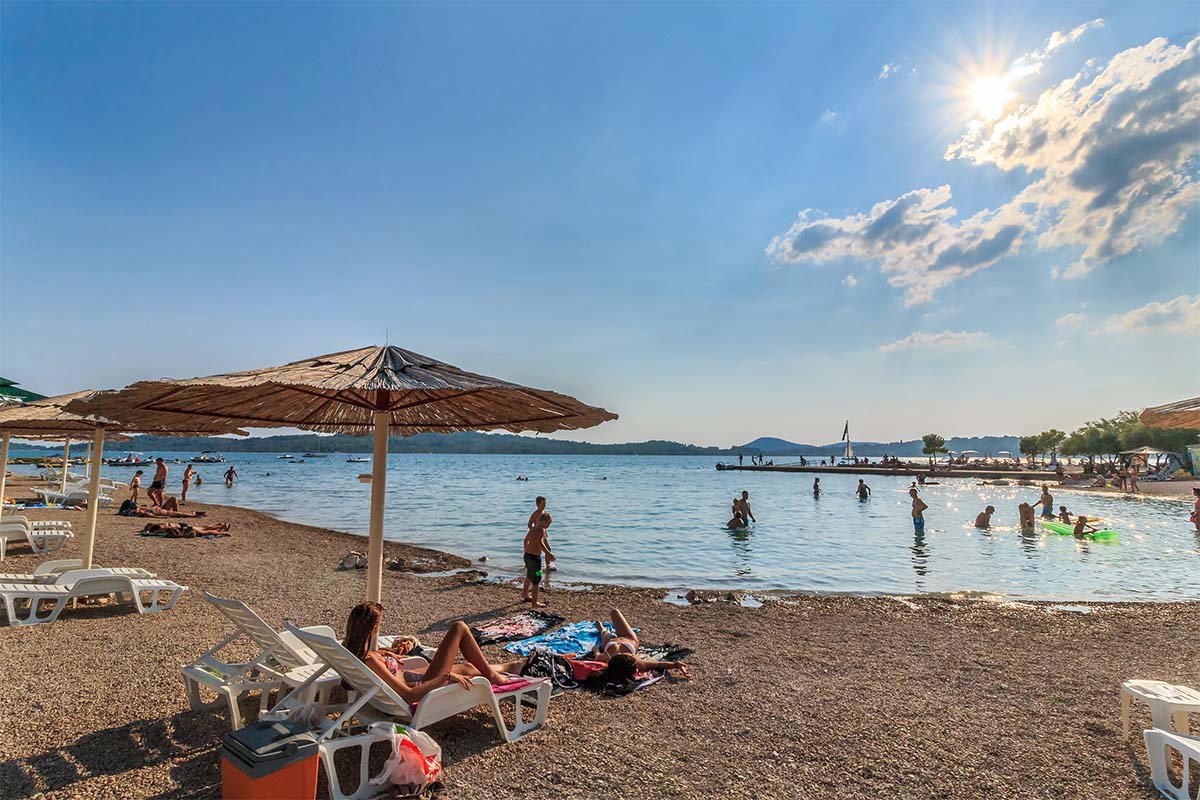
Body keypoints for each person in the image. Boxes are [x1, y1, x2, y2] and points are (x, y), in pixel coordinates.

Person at [343, 603, 527, 703]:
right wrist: (445, 677)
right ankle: (494, 676)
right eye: (379, 624)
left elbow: (378, 665)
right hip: (421, 684)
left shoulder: (352, 651)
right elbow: (409, 695)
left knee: (467, 667)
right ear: (372, 628)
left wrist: (387, 653)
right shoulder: (369, 661)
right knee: (459, 628)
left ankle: (512, 667)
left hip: (414, 675)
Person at [575, 608, 691, 683]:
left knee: (611, 618)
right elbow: (659, 664)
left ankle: (602, 629)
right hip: (628, 638)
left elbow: (596, 653)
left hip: (611, 642)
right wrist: (676, 665)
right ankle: (603, 630)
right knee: (615, 612)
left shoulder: (606, 658)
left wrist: (596, 649)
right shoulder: (636, 661)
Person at [522, 512, 554, 608]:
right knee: (537, 580)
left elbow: (525, 540)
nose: (548, 526)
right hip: (535, 559)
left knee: (529, 574)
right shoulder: (541, 530)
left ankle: (524, 593)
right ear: (545, 521)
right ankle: (534, 603)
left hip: (527, 556)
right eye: (549, 524)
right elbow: (540, 543)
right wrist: (548, 553)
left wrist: (526, 551)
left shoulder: (533, 528)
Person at [528, 496, 556, 572]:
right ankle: (535, 567)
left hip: (543, 533)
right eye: (543, 504)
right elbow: (529, 524)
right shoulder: (535, 514)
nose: (544, 505)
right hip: (537, 533)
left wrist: (545, 532)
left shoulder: (545, 513)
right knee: (538, 549)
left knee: (548, 548)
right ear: (537, 504)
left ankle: (547, 565)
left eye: (545, 504)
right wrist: (533, 532)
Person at [140, 521, 231, 538]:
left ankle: (221, 531)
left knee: (204, 531)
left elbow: (164, 528)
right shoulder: (160, 525)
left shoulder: (160, 527)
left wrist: (148, 532)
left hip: (182, 528)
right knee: (204, 528)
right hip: (182, 526)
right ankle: (220, 526)